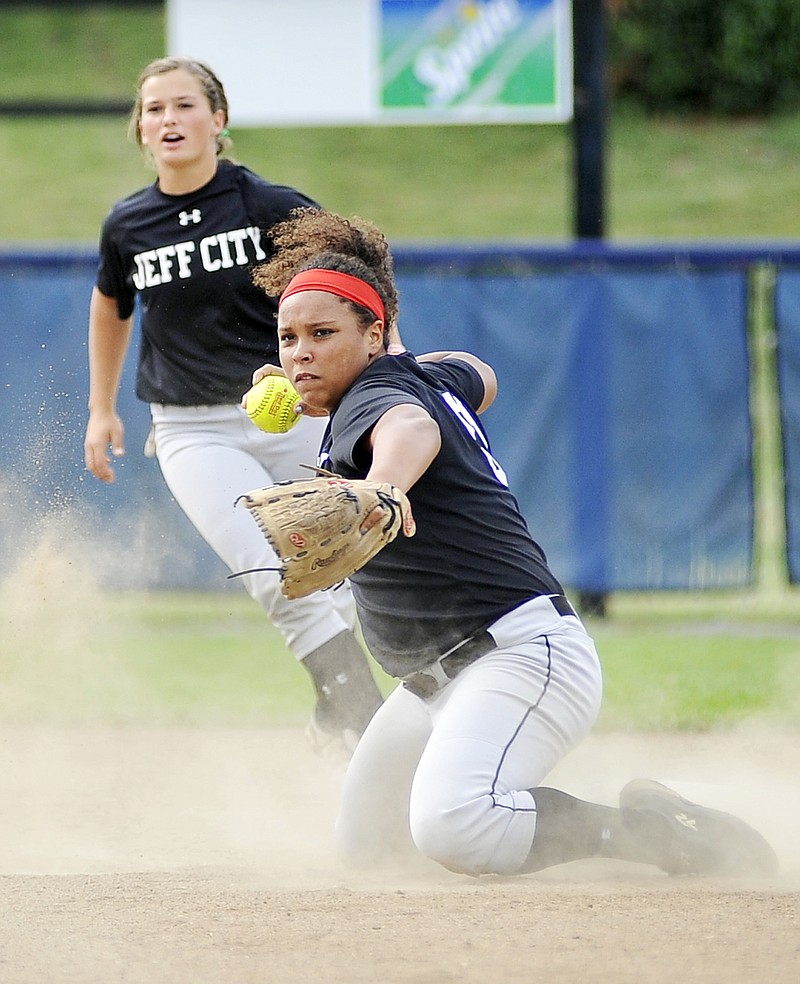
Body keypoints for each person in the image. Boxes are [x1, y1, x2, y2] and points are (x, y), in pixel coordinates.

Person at [246, 207, 779, 879]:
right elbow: (480, 372)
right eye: (289, 338)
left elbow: (411, 429)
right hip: (436, 683)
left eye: (323, 334)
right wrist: (417, 365)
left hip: (521, 656)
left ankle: (654, 837)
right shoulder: (421, 378)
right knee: (370, 848)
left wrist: (383, 487)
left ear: (375, 336)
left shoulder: (376, 401)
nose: (300, 353)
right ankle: (546, 828)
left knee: (454, 825)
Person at [83, 56, 384, 757]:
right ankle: (367, 723)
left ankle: (337, 714)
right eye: (154, 109)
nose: (169, 120)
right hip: (190, 429)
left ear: (218, 120)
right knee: (273, 572)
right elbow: (110, 303)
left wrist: (386, 364)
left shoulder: (266, 206)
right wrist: (102, 407)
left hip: (295, 417)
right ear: (141, 129)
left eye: (185, 105)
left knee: (344, 578)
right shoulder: (128, 225)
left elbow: (355, 279)